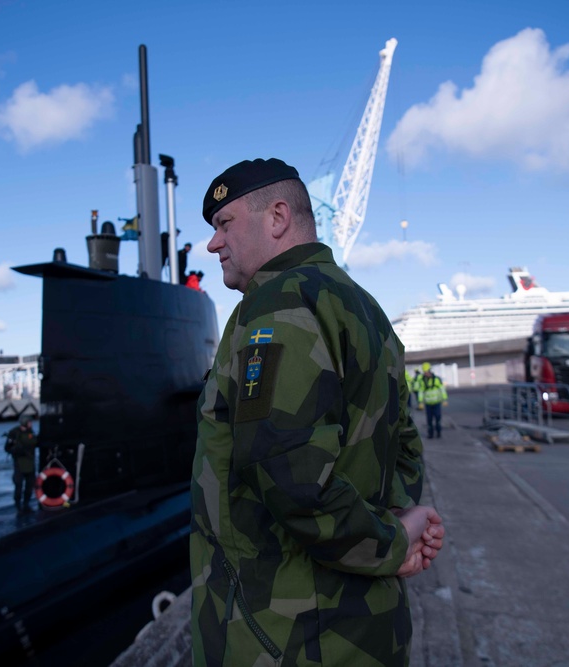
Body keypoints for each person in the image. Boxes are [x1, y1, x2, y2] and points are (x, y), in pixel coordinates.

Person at [190, 158, 445, 666]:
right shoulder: (365, 308)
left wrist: (393, 543)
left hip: (285, 635)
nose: (213, 244)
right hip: (365, 628)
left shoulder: (276, 303)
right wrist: (400, 519)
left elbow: (289, 475)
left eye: (224, 225)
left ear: (277, 217)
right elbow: (404, 446)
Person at [6, 415, 38, 513]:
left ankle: (26, 504)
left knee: (29, 485)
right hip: (19, 463)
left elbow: (35, 443)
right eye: (29, 422)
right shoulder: (14, 433)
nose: (31, 424)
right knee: (18, 485)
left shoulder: (31, 433)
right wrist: (16, 450)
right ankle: (18, 505)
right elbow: (7, 448)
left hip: (30, 462)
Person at [419, 362, 448, 438]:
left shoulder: (437, 379)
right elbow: (421, 392)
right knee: (429, 420)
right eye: (424, 372)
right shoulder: (422, 381)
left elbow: (442, 389)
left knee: (438, 418)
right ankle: (430, 434)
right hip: (428, 404)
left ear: (430, 371)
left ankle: (439, 432)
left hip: (436, 403)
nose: (426, 374)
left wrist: (444, 399)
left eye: (426, 372)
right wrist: (420, 402)